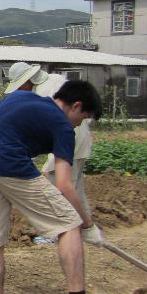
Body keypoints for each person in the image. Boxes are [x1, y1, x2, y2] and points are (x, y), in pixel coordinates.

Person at [0, 79, 123, 294]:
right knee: (68, 223)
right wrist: (87, 225)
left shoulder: (19, 96)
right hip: (11, 165)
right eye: (83, 118)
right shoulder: (62, 126)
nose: (79, 124)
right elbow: (64, 185)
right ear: (76, 106)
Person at [33, 74, 94, 245]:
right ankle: (86, 230)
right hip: (78, 142)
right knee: (76, 188)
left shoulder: (43, 91)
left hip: (68, 141)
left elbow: (45, 125)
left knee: (57, 186)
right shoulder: (55, 80)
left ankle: (55, 232)